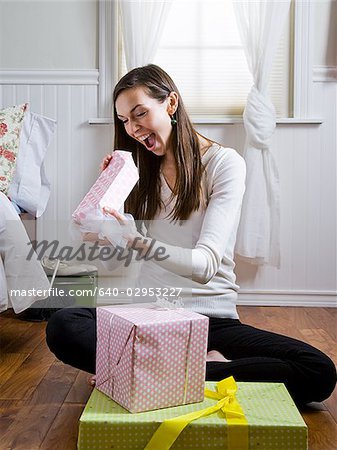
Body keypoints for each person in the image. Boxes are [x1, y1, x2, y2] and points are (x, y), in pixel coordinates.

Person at [46, 64, 336, 405]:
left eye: (139, 114)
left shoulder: (224, 164)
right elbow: (95, 241)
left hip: (210, 319)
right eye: (124, 120)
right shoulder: (139, 172)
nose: (133, 128)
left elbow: (204, 266)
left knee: (317, 370)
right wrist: (105, 193)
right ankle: (168, 366)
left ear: (171, 103)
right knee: (63, 323)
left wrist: (134, 239)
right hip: (147, 317)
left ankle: (147, 368)